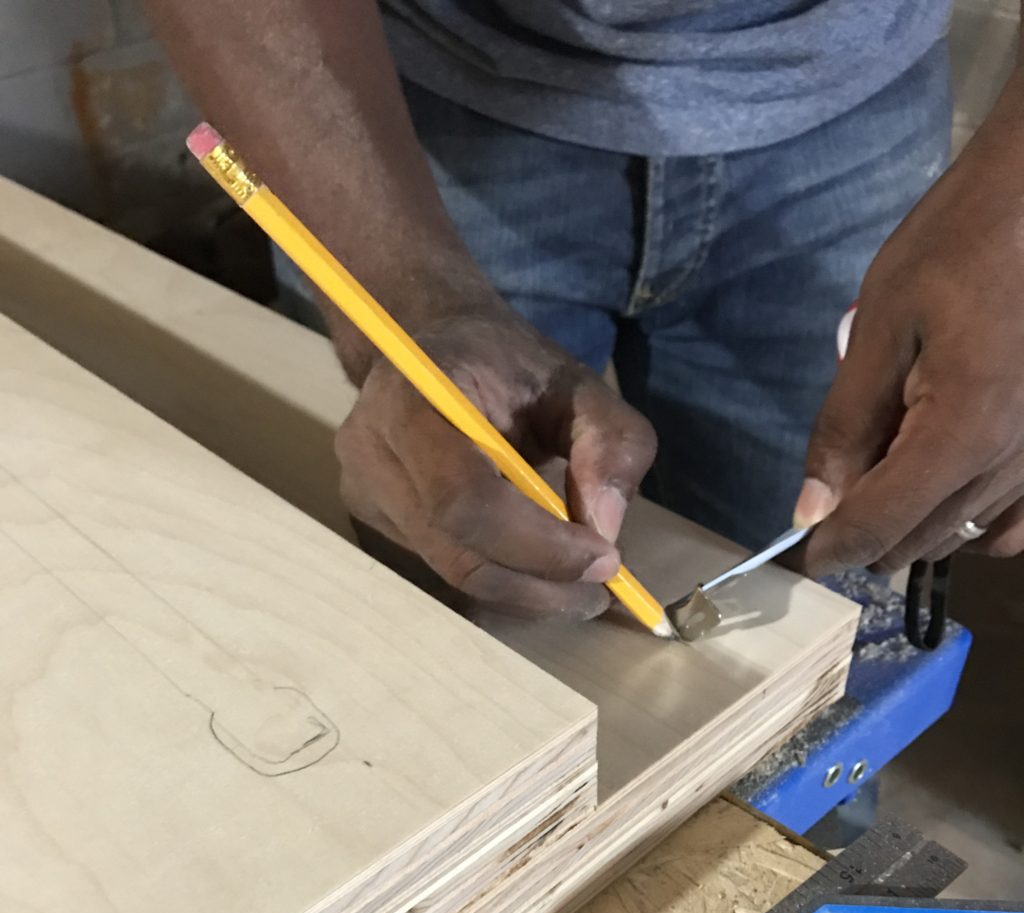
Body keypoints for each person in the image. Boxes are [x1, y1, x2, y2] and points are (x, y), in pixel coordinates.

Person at [148, 1, 1024, 624]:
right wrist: (415, 298)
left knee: (826, 607)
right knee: (455, 576)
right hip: (405, 99)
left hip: (852, 88)